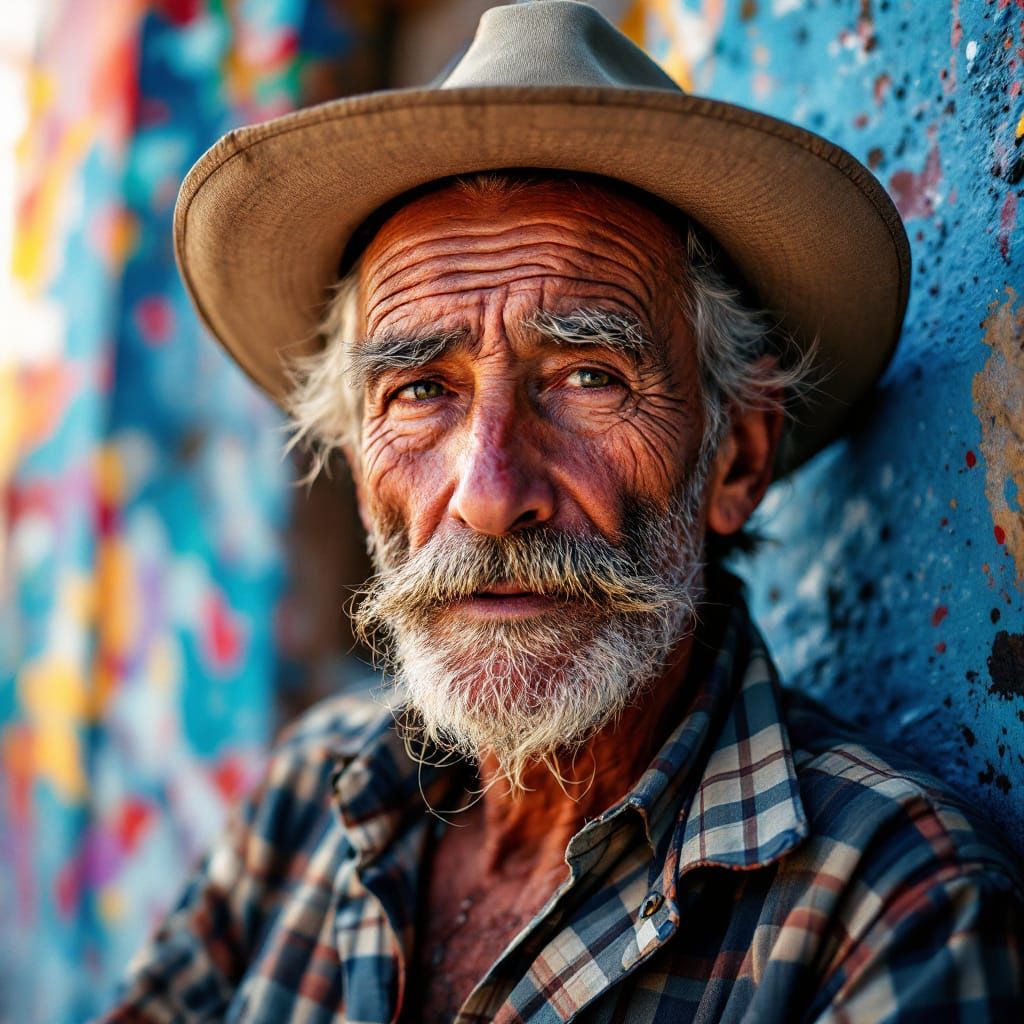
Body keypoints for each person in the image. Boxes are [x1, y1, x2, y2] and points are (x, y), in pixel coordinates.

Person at [102, 3, 1023, 1021]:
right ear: (357, 456)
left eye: (587, 376)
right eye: (418, 391)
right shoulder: (305, 801)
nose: (492, 494)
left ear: (737, 458)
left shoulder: (887, 912)